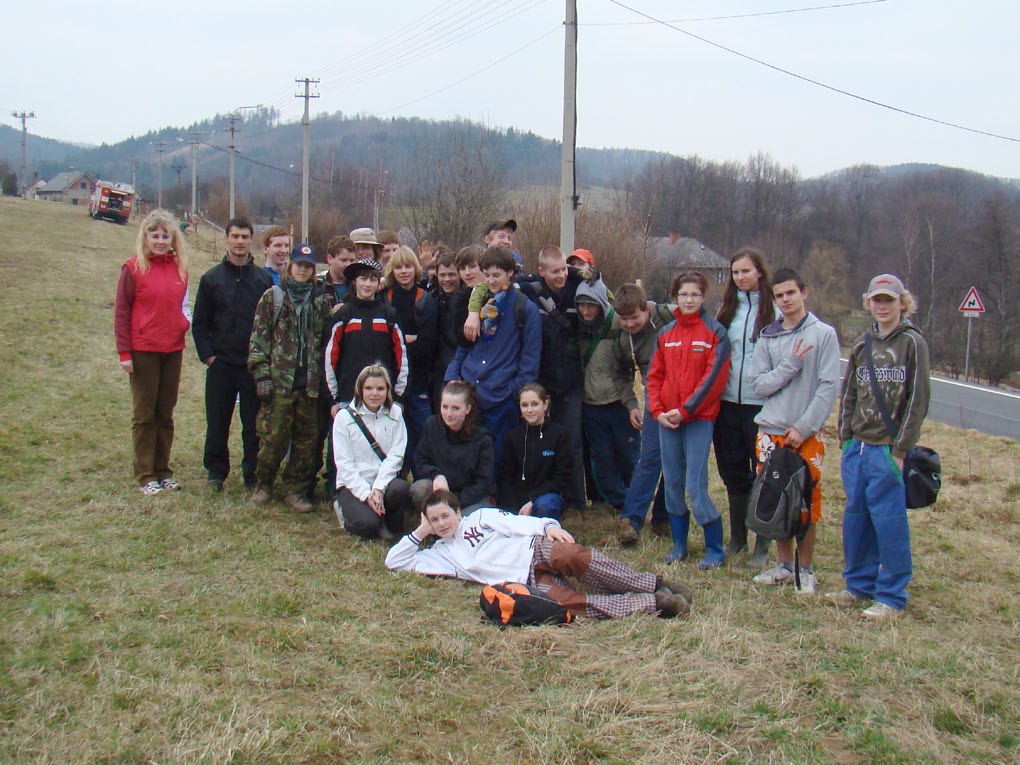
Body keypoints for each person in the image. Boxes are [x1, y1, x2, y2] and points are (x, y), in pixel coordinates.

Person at [385, 490, 693, 620]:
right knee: (566, 605)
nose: (442, 524)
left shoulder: (479, 518)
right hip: (525, 580)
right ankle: (655, 603)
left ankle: (651, 583)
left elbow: (515, 522)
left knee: (575, 557)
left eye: (445, 516)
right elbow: (394, 562)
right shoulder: (438, 555)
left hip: (533, 550)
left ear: (457, 511)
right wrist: (420, 532)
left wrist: (547, 527)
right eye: (434, 520)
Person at [828, 274, 930, 620]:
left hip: (888, 450)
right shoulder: (862, 344)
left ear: (902, 302)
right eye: (877, 300)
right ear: (868, 303)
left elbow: (917, 399)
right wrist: (845, 438)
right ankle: (858, 585)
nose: (883, 306)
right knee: (856, 517)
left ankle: (891, 594)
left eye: (889, 300)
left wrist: (901, 449)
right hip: (857, 447)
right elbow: (850, 393)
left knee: (888, 521)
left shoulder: (912, 344)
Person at [748, 268, 840, 594]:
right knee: (776, 501)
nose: (786, 300)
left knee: (806, 504)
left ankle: (806, 570)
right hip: (770, 431)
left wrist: (804, 427)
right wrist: (790, 365)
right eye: (779, 295)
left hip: (806, 435)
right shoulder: (768, 336)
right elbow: (759, 385)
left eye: (791, 293)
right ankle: (784, 565)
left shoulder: (823, 335)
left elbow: (828, 386)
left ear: (804, 292)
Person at [646, 272, 730, 569]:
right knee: (672, 483)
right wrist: (658, 411)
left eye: (695, 294)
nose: (689, 300)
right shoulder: (666, 333)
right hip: (667, 420)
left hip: (698, 420)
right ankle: (679, 544)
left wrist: (684, 411)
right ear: (675, 297)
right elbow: (654, 377)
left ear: (703, 297)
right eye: (684, 295)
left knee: (695, 485)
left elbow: (713, 381)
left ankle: (715, 547)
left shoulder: (715, 333)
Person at [247, 244, 332, 512]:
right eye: (299, 265)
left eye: (308, 266)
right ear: (290, 267)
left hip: (310, 384)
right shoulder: (273, 298)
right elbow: (258, 340)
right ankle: (264, 484)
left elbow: (325, 341)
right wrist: (262, 374)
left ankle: (296, 489)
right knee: (273, 438)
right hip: (280, 381)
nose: (303, 270)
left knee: (307, 441)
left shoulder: (320, 302)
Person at [192, 216, 274, 492]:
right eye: (235, 236)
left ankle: (252, 473)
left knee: (253, 424)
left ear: (251, 240)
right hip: (221, 364)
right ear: (226, 238)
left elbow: (272, 324)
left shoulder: (263, 280)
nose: (239, 242)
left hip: (251, 365)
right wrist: (209, 357)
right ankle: (216, 472)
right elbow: (200, 323)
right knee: (218, 421)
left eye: (244, 237)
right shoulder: (211, 279)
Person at [114, 209, 191, 495]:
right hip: (143, 349)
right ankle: (146, 473)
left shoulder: (180, 269)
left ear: (173, 239)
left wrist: (184, 324)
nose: (160, 241)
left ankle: (163, 470)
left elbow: (185, 305)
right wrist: (124, 352)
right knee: (144, 413)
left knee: (165, 412)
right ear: (145, 237)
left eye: (165, 236)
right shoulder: (133, 268)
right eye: (154, 235)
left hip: (172, 349)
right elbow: (122, 312)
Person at [445, 247, 541, 467]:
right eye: (486, 275)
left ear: (510, 273)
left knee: (498, 462)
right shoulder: (476, 304)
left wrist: (513, 392)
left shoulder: (525, 309)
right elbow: (464, 345)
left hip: (501, 397)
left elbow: (530, 360)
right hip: (469, 392)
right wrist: (452, 376)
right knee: (467, 459)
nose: (491, 281)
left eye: (496, 275)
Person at [713, 248, 777, 564]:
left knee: (764, 472)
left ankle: (762, 543)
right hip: (727, 404)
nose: (740, 278)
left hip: (760, 406)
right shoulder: (727, 310)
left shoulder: (774, 311)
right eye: (735, 272)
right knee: (732, 472)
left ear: (759, 272)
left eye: (746, 272)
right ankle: (736, 538)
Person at [614, 283, 677, 545]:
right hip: (655, 396)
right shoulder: (622, 338)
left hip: (686, 393)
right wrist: (631, 404)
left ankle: (663, 516)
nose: (629, 324)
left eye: (634, 318)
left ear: (647, 310)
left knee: (677, 461)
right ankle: (631, 520)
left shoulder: (669, 315)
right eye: (624, 319)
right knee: (650, 457)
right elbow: (620, 374)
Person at [575, 278, 639, 512]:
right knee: (602, 459)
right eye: (581, 304)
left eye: (590, 304)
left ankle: (635, 501)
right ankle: (619, 502)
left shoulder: (618, 325)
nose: (585, 310)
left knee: (628, 455)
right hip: (591, 404)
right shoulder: (577, 328)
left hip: (618, 402)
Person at [332, 364, 413, 539]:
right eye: (368, 388)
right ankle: (345, 510)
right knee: (368, 526)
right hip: (353, 483)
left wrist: (378, 488)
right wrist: (365, 494)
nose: (374, 393)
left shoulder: (396, 413)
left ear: (388, 390)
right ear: (359, 389)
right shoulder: (343, 418)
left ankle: (386, 519)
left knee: (400, 490)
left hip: (383, 481)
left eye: (380, 388)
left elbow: (396, 455)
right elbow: (344, 464)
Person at [382, 246, 438, 470]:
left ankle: (422, 481)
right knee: (392, 437)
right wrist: (407, 341)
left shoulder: (425, 300)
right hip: (390, 381)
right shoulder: (383, 297)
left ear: (415, 269)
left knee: (421, 435)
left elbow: (427, 344)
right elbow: (382, 342)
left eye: (408, 266)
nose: (403, 271)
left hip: (419, 380)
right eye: (398, 267)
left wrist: (399, 343)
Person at [411, 381, 495, 516]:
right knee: (419, 488)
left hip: (470, 498)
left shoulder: (483, 439)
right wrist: (436, 475)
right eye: (445, 407)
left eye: (456, 408)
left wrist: (454, 502)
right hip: (440, 489)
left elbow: (483, 483)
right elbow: (420, 460)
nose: (449, 413)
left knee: (471, 521)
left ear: (467, 409)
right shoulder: (432, 425)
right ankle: (436, 523)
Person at [497, 383, 575, 520]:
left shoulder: (560, 434)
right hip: (519, 497)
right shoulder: (513, 436)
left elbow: (561, 477)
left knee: (544, 506)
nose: (529, 410)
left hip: (548, 496)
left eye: (535, 404)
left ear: (545, 405)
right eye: (524, 405)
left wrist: (532, 500)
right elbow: (506, 475)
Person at [430, 250, 463, 410]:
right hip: (437, 370)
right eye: (443, 275)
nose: (447, 279)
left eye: (452, 274)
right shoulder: (432, 299)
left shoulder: (467, 302)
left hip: (460, 369)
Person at [319, 235, 357, 310]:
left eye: (352, 261)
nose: (348, 265)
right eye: (343, 260)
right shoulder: (318, 286)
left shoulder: (357, 286)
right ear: (329, 259)